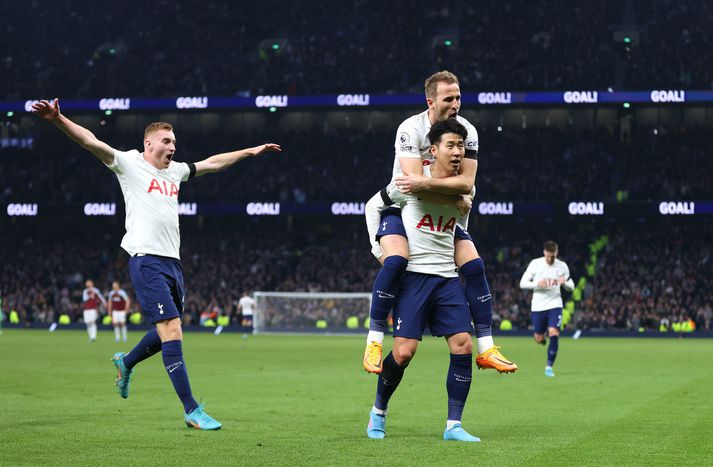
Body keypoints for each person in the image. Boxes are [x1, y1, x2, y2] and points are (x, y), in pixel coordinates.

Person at [32, 98, 281, 430]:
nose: (172, 146)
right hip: (146, 259)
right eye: (166, 141)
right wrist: (58, 119)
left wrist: (250, 151)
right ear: (148, 144)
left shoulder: (176, 172)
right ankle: (191, 409)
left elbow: (212, 163)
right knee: (173, 330)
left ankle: (127, 361)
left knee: (168, 331)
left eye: (174, 142)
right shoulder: (129, 164)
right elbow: (90, 141)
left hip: (173, 263)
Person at [362, 71, 516, 374]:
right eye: (449, 98)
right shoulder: (411, 128)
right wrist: (457, 196)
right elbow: (413, 186)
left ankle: (486, 348)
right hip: (401, 207)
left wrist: (458, 197)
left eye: (459, 97)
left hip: (441, 212)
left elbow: (466, 181)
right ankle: (374, 341)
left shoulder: (467, 131)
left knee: (474, 265)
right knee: (395, 262)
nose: (457, 103)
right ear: (430, 101)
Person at [367, 119, 480, 442]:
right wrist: (380, 249)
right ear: (433, 151)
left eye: (461, 146)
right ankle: (378, 412)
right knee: (403, 353)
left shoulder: (464, 190)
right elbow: (375, 206)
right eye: (451, 146)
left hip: (446, 277)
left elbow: (461, 227)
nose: (458, 152)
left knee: (463, 345)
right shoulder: (409, 182)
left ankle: (453, 425)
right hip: (414, 277)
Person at [519, 241, 574, 377]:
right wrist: (537, 283)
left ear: (556, 253)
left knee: (554, 332)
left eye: (553, 256)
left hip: (555, 303)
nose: (550, 259)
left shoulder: (562, 266)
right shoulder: (535, 264)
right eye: (548, 256)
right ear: (544, 253)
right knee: (539, 338)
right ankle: (542, 338)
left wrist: (565, 283)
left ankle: (549, 366)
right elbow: (522, 283)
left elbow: (571, 286)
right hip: (538, 305)